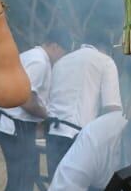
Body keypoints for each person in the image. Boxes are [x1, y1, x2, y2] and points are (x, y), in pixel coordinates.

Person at [0, 31, 67, 191]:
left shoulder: (32, 56)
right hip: (16, 127)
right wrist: (45, 116)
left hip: (18, 126)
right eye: (62, 53)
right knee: (21, 178)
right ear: (55, 46)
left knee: (26, 175)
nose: (61, 58)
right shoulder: (39, 62)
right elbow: (25, 99)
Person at [45, 41, 121, 178]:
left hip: (53, 134)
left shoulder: (62, 61)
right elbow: (112, 108)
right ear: (107, 49)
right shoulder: (105, 62)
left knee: (56, 190)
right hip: (80, 139)